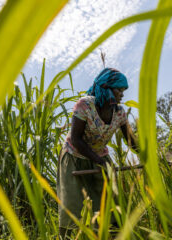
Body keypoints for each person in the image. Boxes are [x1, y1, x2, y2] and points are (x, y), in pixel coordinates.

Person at [57, 68, 138, 239]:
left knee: (110, 201)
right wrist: (99, 161)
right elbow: (76, 139)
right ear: (106, 88)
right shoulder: (85, 105)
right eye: (119, 90)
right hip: (74, 157)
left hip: (100, 157)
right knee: (72, 204)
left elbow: (131, 141)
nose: (122, 95)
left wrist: (150, 157)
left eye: (123, 91)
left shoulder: (119, 112)